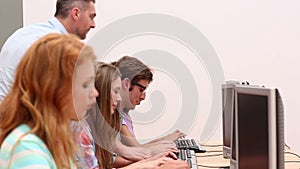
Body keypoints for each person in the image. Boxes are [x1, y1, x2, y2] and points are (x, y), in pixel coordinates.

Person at [0, 33, 98, 168]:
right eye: (85, 85)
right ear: (54, 88)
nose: (95, 93)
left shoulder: (52, 142)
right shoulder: (27, 148)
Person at [75, 62, 189, 169]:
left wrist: (151, 160)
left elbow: (112, 159)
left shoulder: (94, 126)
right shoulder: (81, 130)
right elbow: (130, 151)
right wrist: (147, 162)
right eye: (115, 91)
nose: (118, 98)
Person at [0, 0, 96, 103]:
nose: (93, 24)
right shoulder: (56, 46)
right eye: (91, 17)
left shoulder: (24, 33)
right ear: (76, 13)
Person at [112, 56, 186, 154]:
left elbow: (136, 149)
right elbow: (137, 149)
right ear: (126, 84)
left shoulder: (122, 115)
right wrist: (164, 144)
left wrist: (165, 141)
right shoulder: (114, 115)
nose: (143, 97)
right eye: (141, 90)